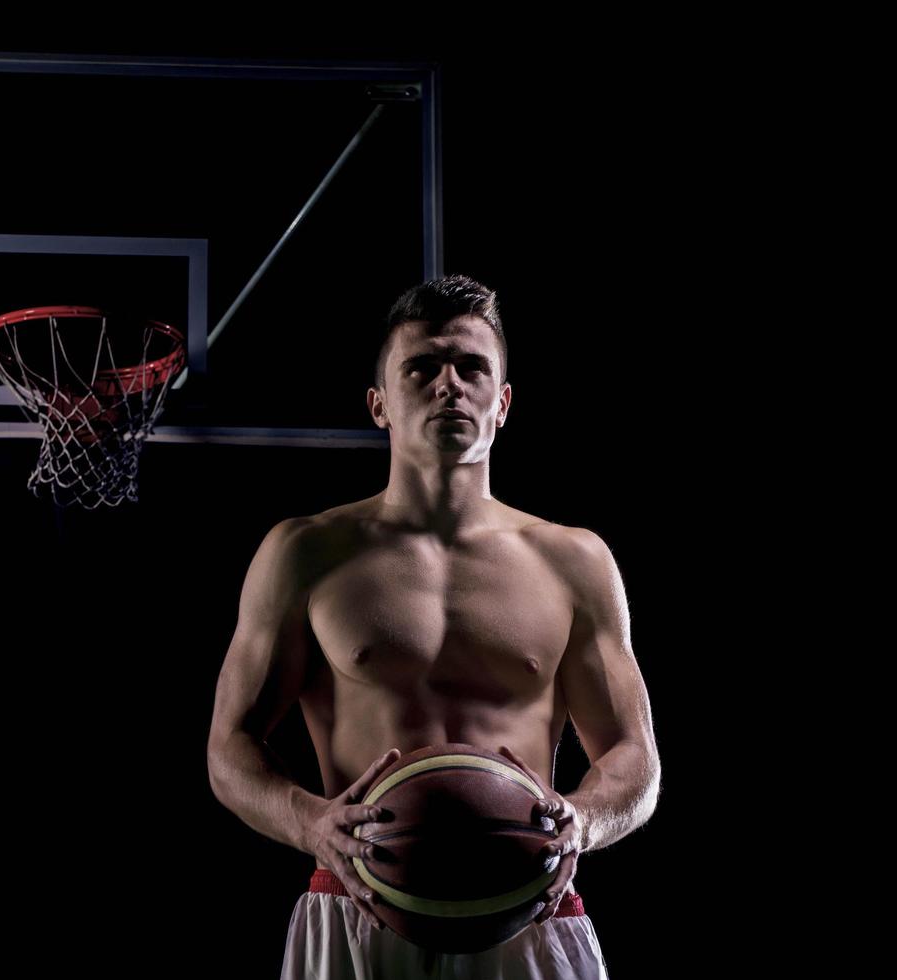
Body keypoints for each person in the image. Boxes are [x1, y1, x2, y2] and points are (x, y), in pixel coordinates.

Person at [206, 275, 661, 979]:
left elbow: (634, 753)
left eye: (471, 367)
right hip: (358, 899)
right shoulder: (305, 552)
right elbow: (228, 746)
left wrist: (584, 820)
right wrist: (307, 823)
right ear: (378, 404)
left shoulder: (575, 560)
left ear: (502, 403)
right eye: (421, 367)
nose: (448, 384)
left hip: (529, 904)